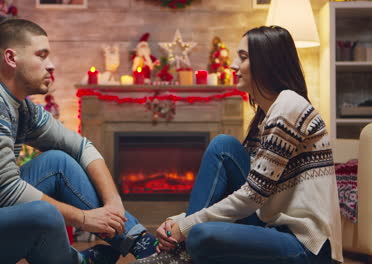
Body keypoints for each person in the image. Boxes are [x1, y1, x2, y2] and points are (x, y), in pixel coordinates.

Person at [0, 19, 157, 264]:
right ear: (11, 58)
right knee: (42, 213)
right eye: (42, 55)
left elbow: (82, 148)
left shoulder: (21, 107)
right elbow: (7, 192)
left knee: (58, 163)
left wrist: (114, 204)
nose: (51, 65)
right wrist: (84, 219)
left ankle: (148, 249)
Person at [130, 26, 343, 264]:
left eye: (242, 57)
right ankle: (180, 252)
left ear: (267, 62)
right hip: (271, 229)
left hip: (306, 246)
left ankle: (181, 253)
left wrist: (186, 226)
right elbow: (242, 191)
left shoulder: (288, 107)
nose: (232, 65)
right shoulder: (266, 116)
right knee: (224, 146)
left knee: (200, 234)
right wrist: (179, 221)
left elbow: (252, 195)